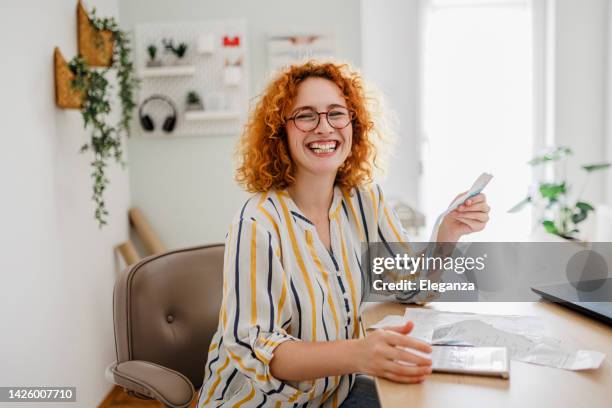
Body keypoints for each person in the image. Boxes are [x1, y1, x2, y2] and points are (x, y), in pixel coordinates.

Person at [198, 61, 490, 407]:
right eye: (306, 116)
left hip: (333, 394)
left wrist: (448, 233)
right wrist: (359, 354)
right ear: (281, 131)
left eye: (336, 114)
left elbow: (410, 286)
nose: (324, 128)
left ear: (354, 125)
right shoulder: (257, 222)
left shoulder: (365, 200)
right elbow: (257, 349)